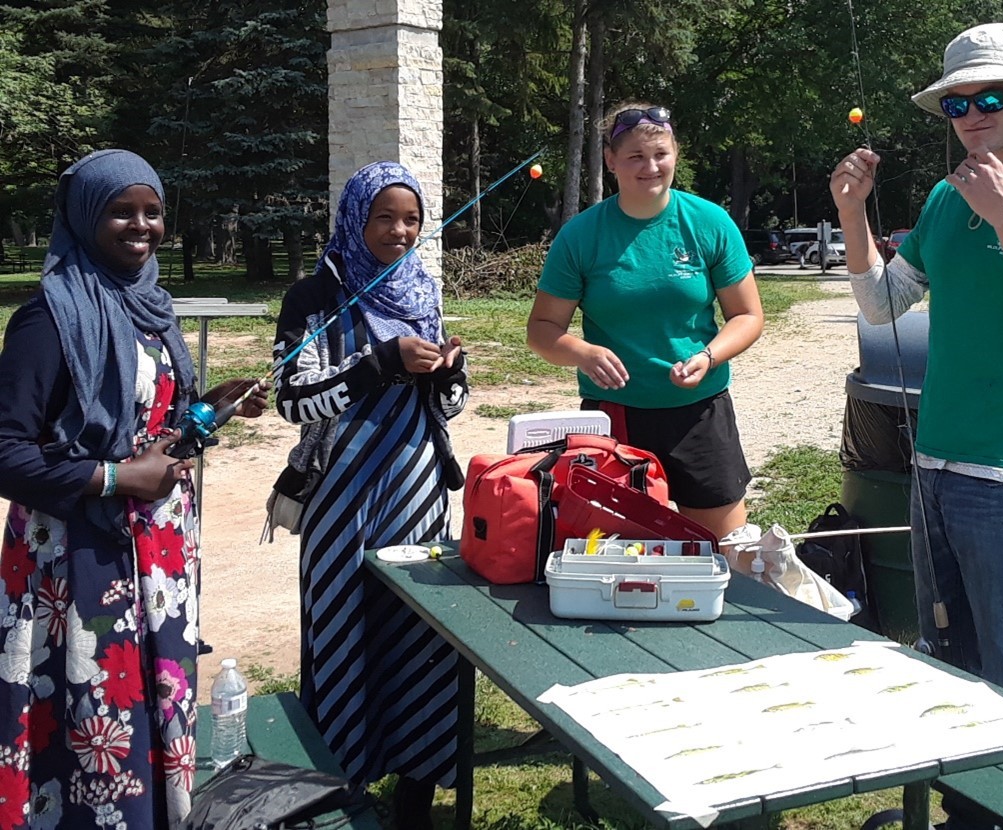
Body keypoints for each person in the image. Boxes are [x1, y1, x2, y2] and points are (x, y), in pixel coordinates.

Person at [831, 21, 1003, 760]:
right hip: (934, 461)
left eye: (989, 96)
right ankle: (968, 809)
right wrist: (853, 214)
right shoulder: (947, 199)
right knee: (948, 664)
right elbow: (885, 303)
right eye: (957, 103)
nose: (973, 115)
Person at [0, 149, 269, 827]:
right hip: (77, 565)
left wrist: (210, 408)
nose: (141, 225)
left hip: (159, 557)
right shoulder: (48, 318)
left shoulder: (150, 306)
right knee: (92, 728)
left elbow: (153, 432)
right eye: (122, 210)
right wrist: (118, 477)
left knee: (152, 710)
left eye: (152, 211)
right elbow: (7, 454)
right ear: (85, 215)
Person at [273, 161, 468, 828]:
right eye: (384, 216)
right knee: (341, 632)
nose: (399, 230)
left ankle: (417, 792)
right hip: (341, 498)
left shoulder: (423, 291)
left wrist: (450, 373)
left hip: (415, 491)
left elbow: (447, 408)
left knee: (420, 638)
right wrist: (377, 365)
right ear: (355, 218)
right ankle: (340, 791)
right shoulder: (312, 299)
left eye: (410, 218)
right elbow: (292, 401)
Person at [527, 102, 764, 555]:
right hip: (614, 417)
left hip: (699, 410)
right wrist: (583, 352)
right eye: (635, 156)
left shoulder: (709, 222)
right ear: (610, 160)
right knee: (616, 551)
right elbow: (541, 329)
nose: (650, 167)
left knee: (722, 551)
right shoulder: (581, 235)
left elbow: (748, 316)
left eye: (660, 153)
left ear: (676, 154)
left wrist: (709, 355)